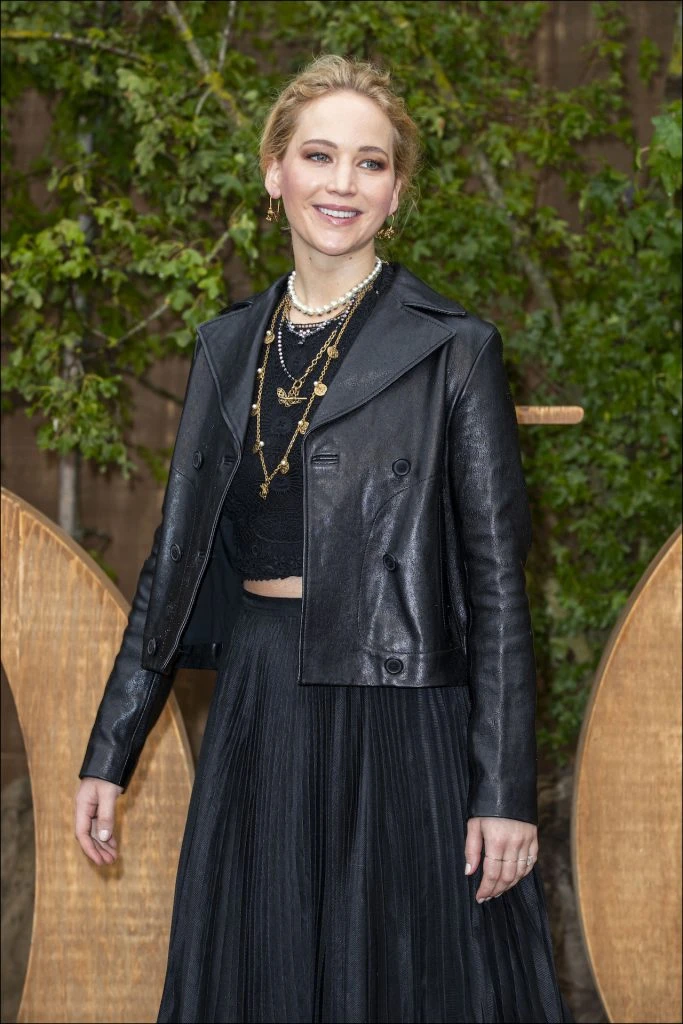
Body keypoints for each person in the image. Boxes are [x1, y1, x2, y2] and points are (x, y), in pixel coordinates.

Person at [75, 54, 573, 1024]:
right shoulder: (226, 346)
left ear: (396, 192)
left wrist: (503, 789)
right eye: (317, 155)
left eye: (370, 163)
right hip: (261, 700)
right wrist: (110, 751)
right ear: (273, 172)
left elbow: (496, 590)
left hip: (400, 713)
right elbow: (174, 560)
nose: (342, 183)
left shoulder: (453, 348)